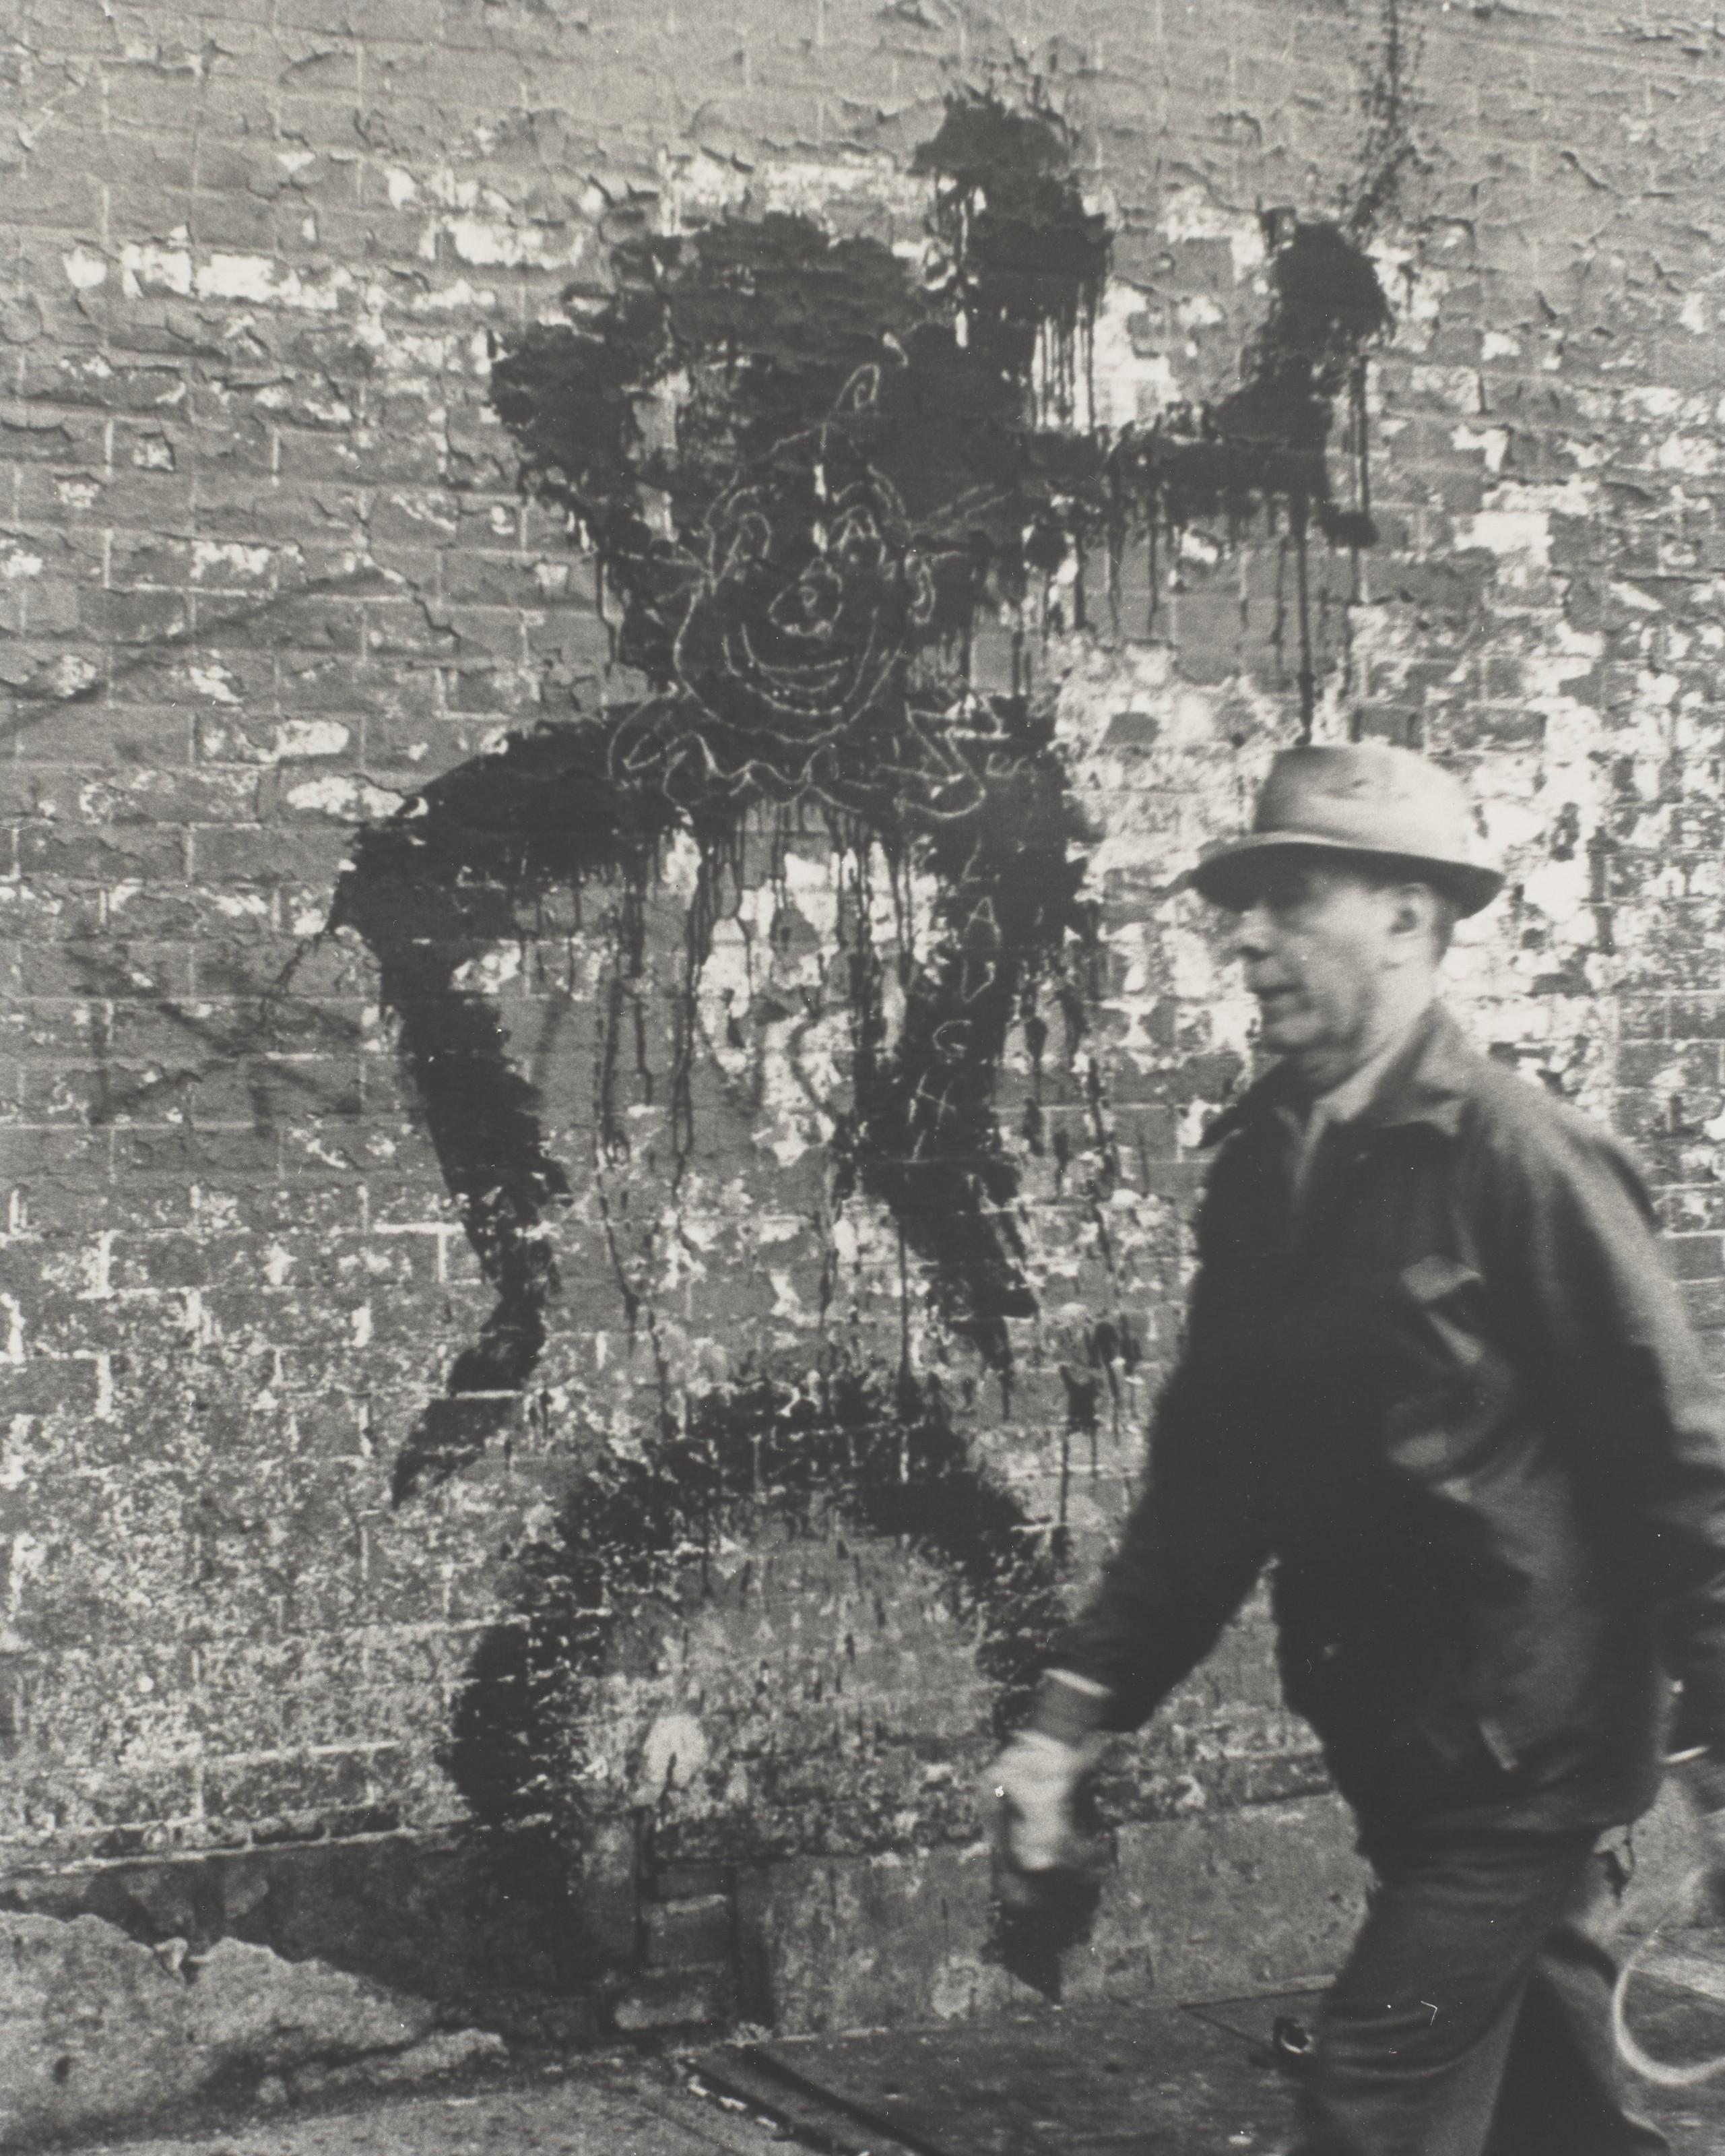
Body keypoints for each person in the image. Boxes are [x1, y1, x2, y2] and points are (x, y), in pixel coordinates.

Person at [990, 741, 1725, 2155]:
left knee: (1373, 2110)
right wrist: (1073, 1709)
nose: (1242, 935)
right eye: (1240, 903)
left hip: (1524, 1760)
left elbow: (1680, 1476)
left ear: (1408, 915)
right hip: (1401, 1744)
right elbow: (1211, 1485)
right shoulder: (1270, 1165)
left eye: (1290, 896)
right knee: (1551, 2116)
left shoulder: (1520, 1158)